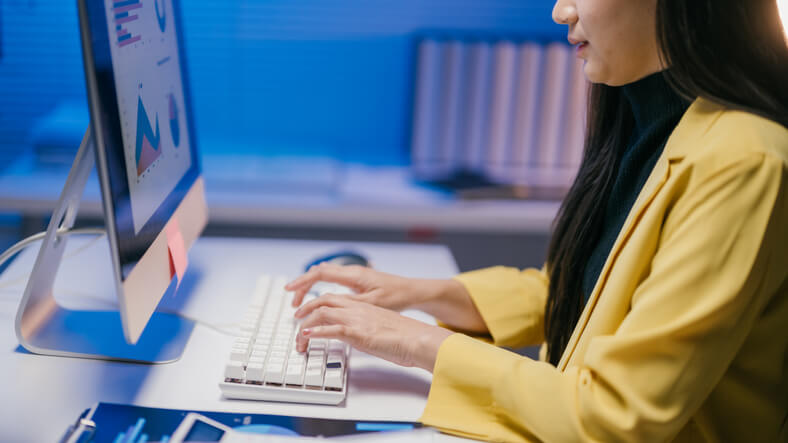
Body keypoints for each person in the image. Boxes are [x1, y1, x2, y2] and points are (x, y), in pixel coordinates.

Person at [286, 0, 788, 441]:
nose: (560, 11)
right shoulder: (649, 117)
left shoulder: (744, 160)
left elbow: (618, 417)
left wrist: (418, 342)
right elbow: (592, 298)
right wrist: (420, 295)